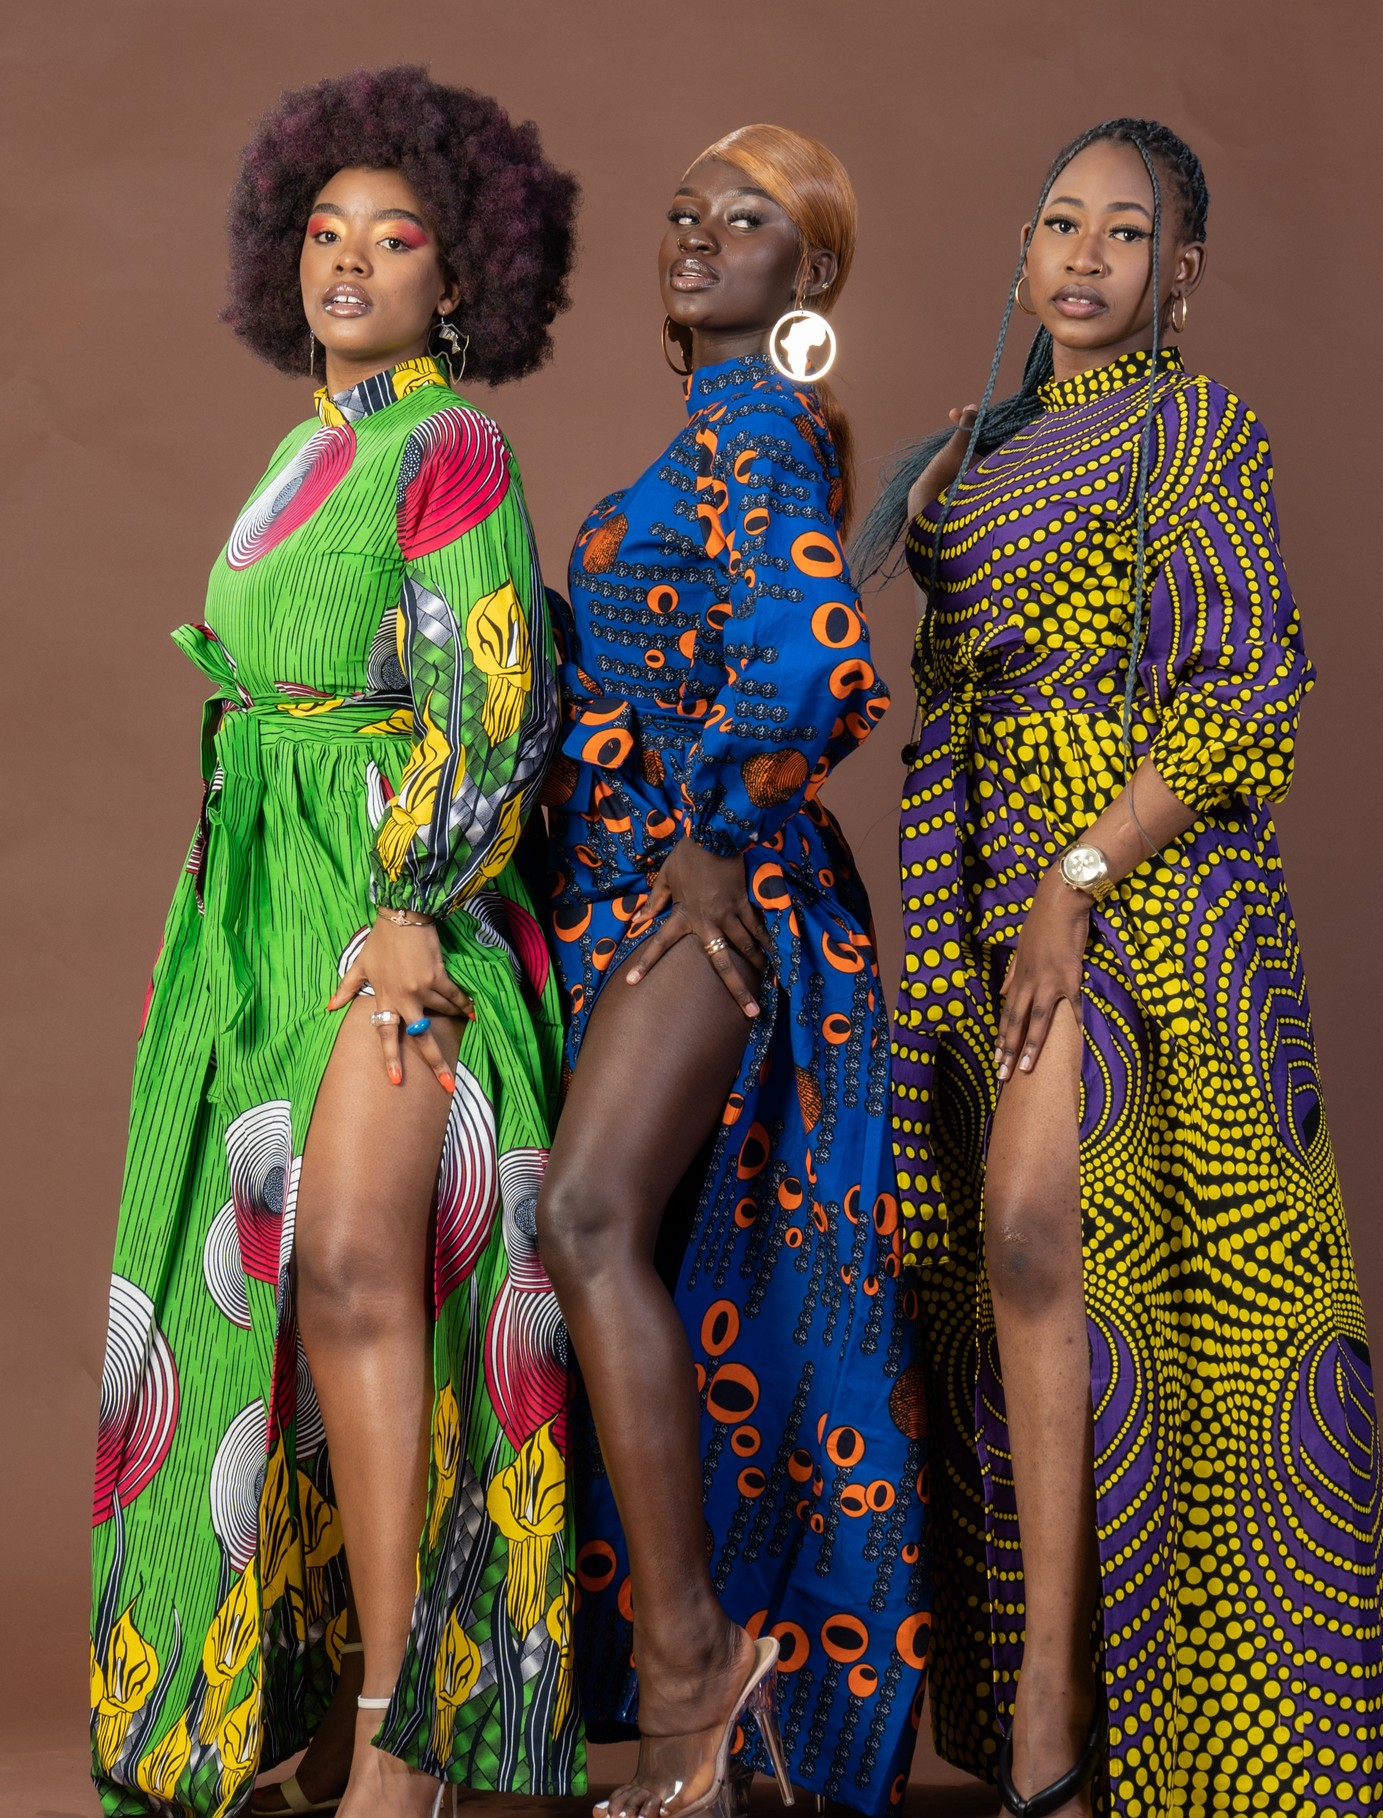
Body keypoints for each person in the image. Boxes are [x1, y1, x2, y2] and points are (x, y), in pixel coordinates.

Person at [853, 118, 1383, 1816]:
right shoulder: (973, 452)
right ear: (1022, 256)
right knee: (1015, 1266)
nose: (1085, 254)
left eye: (1127, 230)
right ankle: (1060, 1685)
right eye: (1059, 222)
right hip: (977, 875)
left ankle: (1061, 1703)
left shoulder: (1194, 425)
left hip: (1138, 886)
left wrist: (1078, 878)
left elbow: (1248, 687)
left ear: (1184, 274)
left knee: (1056, 1231)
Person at [88, 68, 579, 1818]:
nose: (351, 261)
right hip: (256, 912)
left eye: (397, 237)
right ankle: (300, 1691)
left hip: (393, 913)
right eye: (324, 232)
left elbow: (496, 693)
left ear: (464, 276)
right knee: (277, 1311)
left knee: (368, 1270)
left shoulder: (454, 445)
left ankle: (402, 1725)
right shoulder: (308, 446)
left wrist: (408, 905)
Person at [536, 126, 928, 1818]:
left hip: (724, 883)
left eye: (745, 218)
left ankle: (696, 1660)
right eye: (683, 211)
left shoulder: (753, 422)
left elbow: (819, 659)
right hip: (656, 878)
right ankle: (707, 1692)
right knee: (691, 1265)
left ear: (810, 270)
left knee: (587, 1218)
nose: (697, 236)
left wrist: (709, 828)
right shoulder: (726, 425)